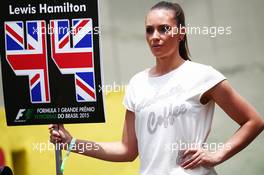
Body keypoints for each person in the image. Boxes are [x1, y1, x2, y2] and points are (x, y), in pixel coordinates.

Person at [49, 1, 264, 175]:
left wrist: (217, 154)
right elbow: (127, 150)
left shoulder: (203, 76)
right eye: (149, 30)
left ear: (181, 33)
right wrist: (73, 143)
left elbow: (253, 121)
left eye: (163, 29)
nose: (155, 37)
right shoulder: (137, 83)